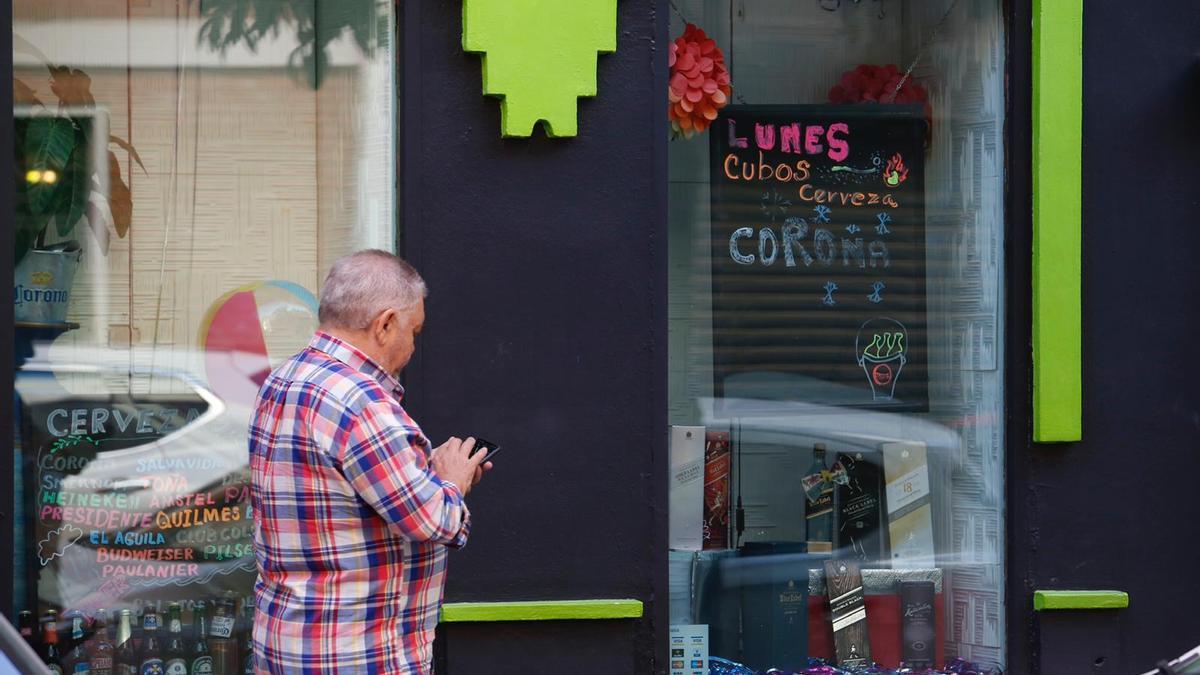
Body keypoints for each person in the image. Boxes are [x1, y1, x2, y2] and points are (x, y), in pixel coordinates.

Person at [248, 249, 490, 673]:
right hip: (355, 655)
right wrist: (452, 480)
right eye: (414, 331)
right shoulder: (361, 403)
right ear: (385, 324)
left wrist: (418, 470)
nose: (414, 345)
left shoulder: (284, 379)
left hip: (288, 644)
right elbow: (434, 520)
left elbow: (340, 490)